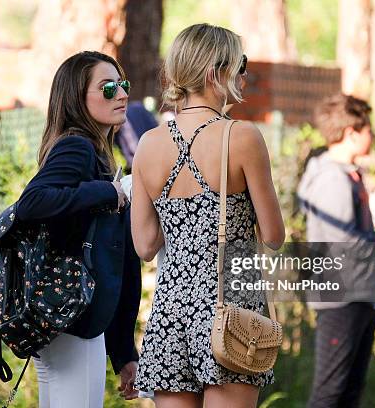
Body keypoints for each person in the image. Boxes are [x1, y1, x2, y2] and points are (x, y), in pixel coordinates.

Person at [130, 24, 285, 408]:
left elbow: (145, 246)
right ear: (215, 74)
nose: (244, 75)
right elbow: (273, 234)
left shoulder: (148, 145)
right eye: (240, 65)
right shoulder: (241, 137)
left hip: (171, 305)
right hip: (231, 300)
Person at [15, 51, 141, 408]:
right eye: (108, 88)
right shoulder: (77, 146)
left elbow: (117, 261)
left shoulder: (98, 155)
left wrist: (123, 353)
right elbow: (32, 202)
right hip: (71, 319)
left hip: (74, 319)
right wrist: (109, 192)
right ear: (76, 98)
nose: (121, 94)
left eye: (123, 85)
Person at [297, 94, 375, 408]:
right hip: (340, 298)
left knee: (350, 391)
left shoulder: (350, 174)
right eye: (368, 130)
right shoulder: (331, 180)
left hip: (360, 293)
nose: (372, 137)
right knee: (330, 392)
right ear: (351, 133)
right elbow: (342, 246)